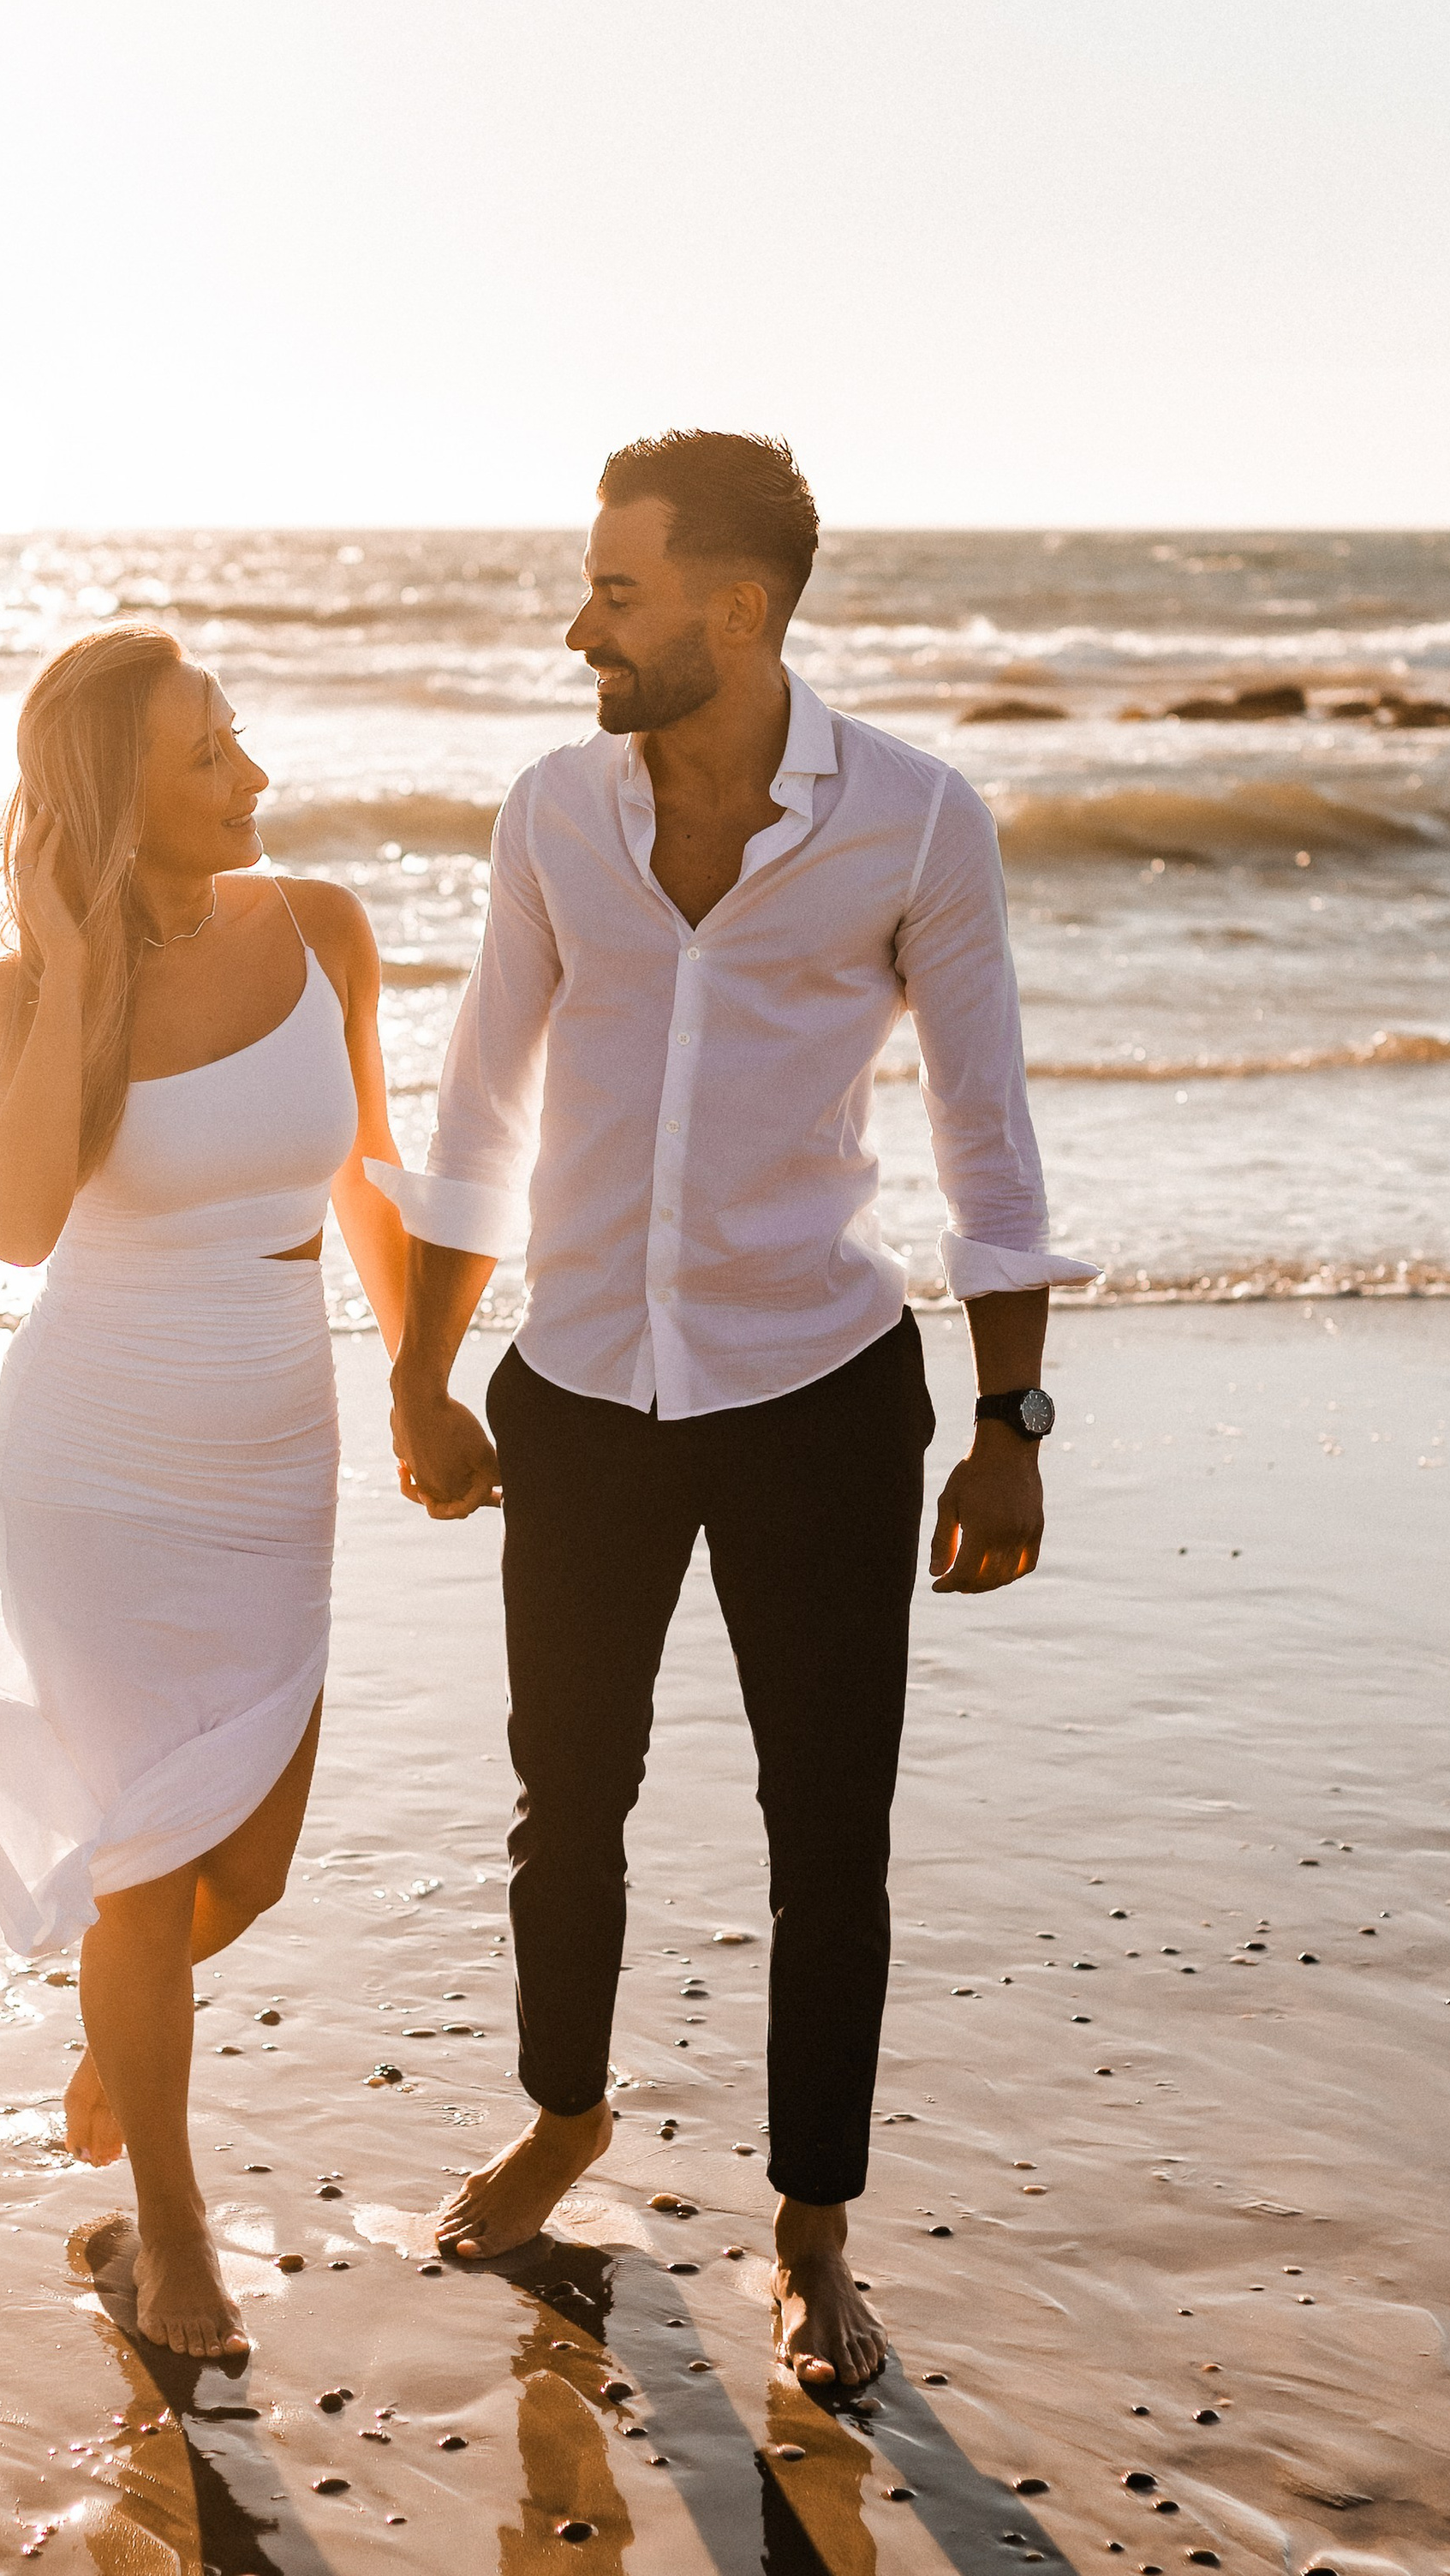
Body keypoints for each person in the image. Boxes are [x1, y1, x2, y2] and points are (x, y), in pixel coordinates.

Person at [376, 432, 1095, 2393]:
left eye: (612, 592)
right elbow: (472, 1118)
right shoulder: (548, 813)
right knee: (564, 1798)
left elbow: (985, 1139)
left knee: (826, 1832)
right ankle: (561, 2115)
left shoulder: (915, 823)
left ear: (733, 609)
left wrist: (1008, 1417)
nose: (577, 625)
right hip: (584, 1387)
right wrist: (424, 1373)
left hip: (814, 1392)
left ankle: (810, 2234)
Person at [0, 627, 408, 2358]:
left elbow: (364, 1176)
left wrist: (426, 1371)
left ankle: (112, 2027)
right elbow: (15, 1224)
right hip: (95, 1454)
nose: (251, 777)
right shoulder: (12, 999)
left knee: (251, 1862)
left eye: (238, 737)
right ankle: (169, 2232)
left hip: (276, 1443)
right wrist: (69, 965)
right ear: (114, 797)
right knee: (147, 1860)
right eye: (208, 754)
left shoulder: (324, 930)